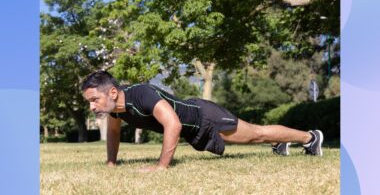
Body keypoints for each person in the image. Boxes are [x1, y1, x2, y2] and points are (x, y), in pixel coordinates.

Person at [81, 71, 324, 172]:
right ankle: (280, 145)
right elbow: (113, 134)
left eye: (94, 100)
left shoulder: (141, 94)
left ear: (112, 92)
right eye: (89, 102)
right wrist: (111, 162)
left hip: (205, 117)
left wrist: (161, 166)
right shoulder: (116, 109)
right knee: (252, 138)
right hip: (195, 130)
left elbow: (173, 124)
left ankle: (310, 138)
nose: (92, 106)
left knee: (256, 133)